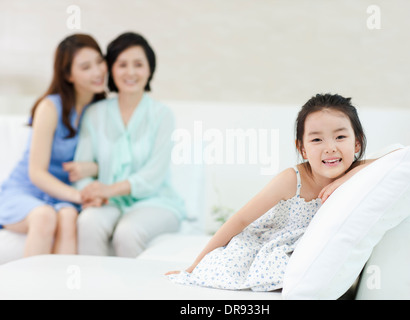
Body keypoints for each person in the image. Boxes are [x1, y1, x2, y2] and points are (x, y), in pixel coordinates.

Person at [166, 93, 377, 291]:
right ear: (302, 148)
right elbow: (240, 219)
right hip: (270, 245)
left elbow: (404, 155)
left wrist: (347, 177)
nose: (330, 147)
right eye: (316, 140)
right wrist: (195, 265)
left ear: (356, 142)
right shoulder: (292, 179)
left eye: (340, 137)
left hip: (311, 250)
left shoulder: (361, 172)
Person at [75, 32, 185, 258]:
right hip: (107, 202)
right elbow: (81, 166)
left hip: (156, 201)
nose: (131, 72)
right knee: (88, 222)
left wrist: (108, 189)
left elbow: (152, 176)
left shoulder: (162, 115)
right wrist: (90, 193)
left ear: (149, 70)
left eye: (138, 64)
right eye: (122, 64)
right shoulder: (95, 114)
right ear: (111, 70)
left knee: (127, 232)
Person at [0, 34, 107, 257]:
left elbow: (110, 158)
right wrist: (79, 196)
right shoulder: (49, 107)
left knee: (68, 217)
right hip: (27, 190)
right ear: (68, 75)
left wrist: (93, 168)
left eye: (99, 61)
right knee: (44, 216)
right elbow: (36, 173)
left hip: (63, 196)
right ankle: (28, 291)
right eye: (86, 67)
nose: (97, 72)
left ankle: (60, 291)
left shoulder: (101, 110)